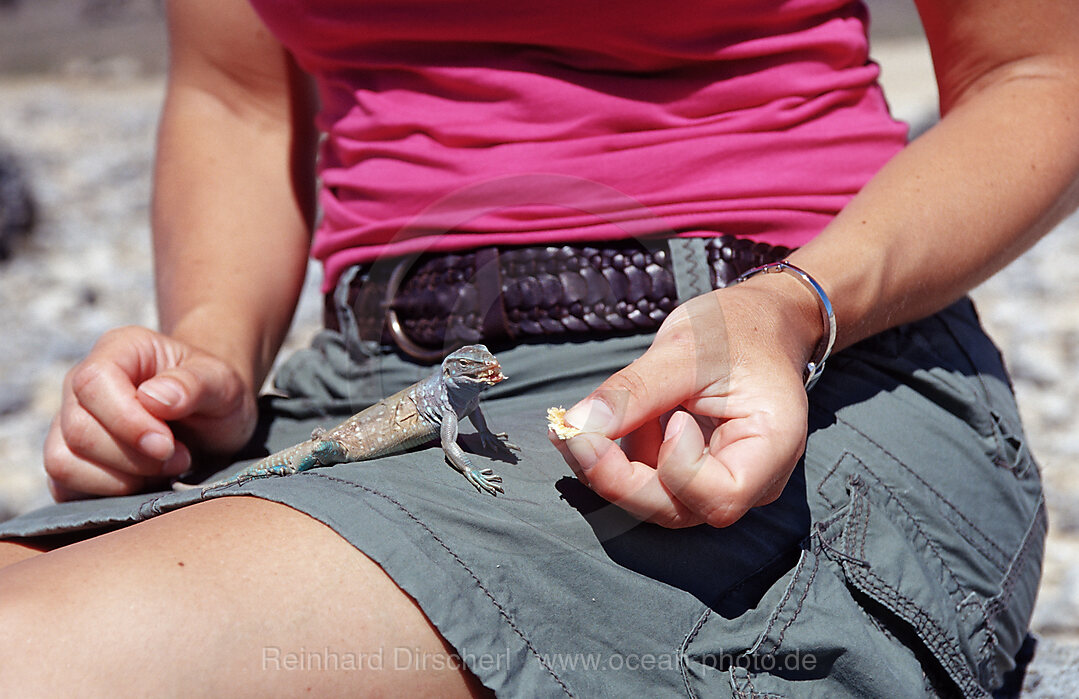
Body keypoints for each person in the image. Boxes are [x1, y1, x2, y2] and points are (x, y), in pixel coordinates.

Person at [0, 0, 1075, 694]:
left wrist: (788, 307)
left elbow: (1038, 75)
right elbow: (236, 97)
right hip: (370, 388)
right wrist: (212, 351)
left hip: (766, 379)